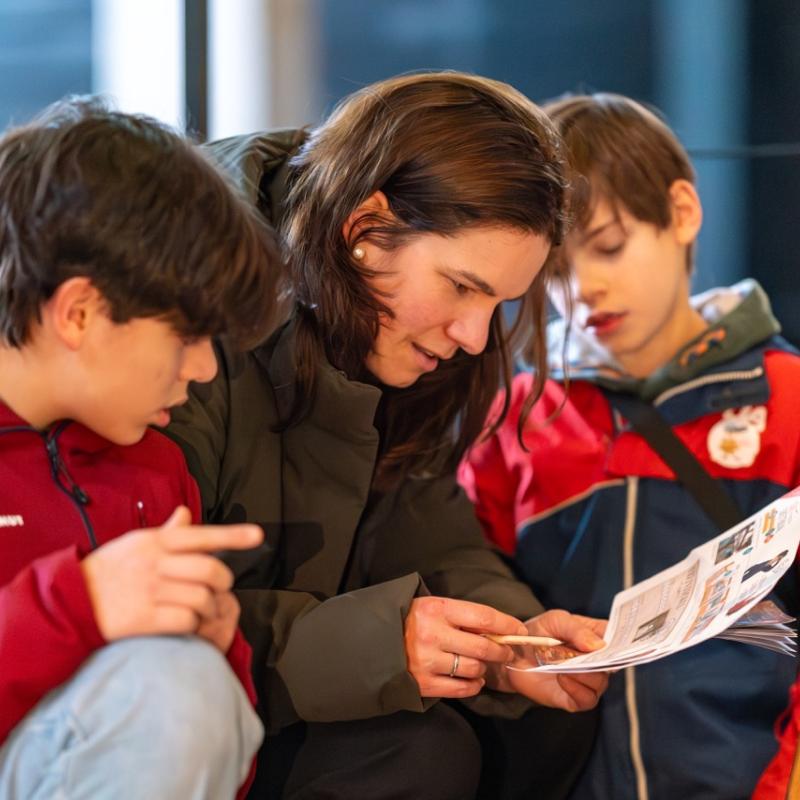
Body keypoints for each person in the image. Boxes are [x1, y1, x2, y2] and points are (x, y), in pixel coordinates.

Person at [166, 72, 609, 800]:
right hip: (181, 710)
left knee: (544, 716)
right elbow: (144, 627)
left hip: (267, 684)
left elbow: (424, 528)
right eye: (462, 287)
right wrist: (381, 642)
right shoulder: (179, 320)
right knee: (418, 753)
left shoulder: (390, 337)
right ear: (366, 233)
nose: (475, 338)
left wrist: (517, 638)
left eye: (499, 304)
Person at [460, 92, 800, 800]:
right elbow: (468, 594)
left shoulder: (787, 400)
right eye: (555, 270)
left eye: (609, 246)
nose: (586, 287)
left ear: (683, 212)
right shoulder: (515, 419)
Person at [0, 97, 282, 799]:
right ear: (80, 313)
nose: (205, 369)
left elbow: (223, 767)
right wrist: (79, 604)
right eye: (186, 336)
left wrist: (218, 654)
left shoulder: (157, 471)